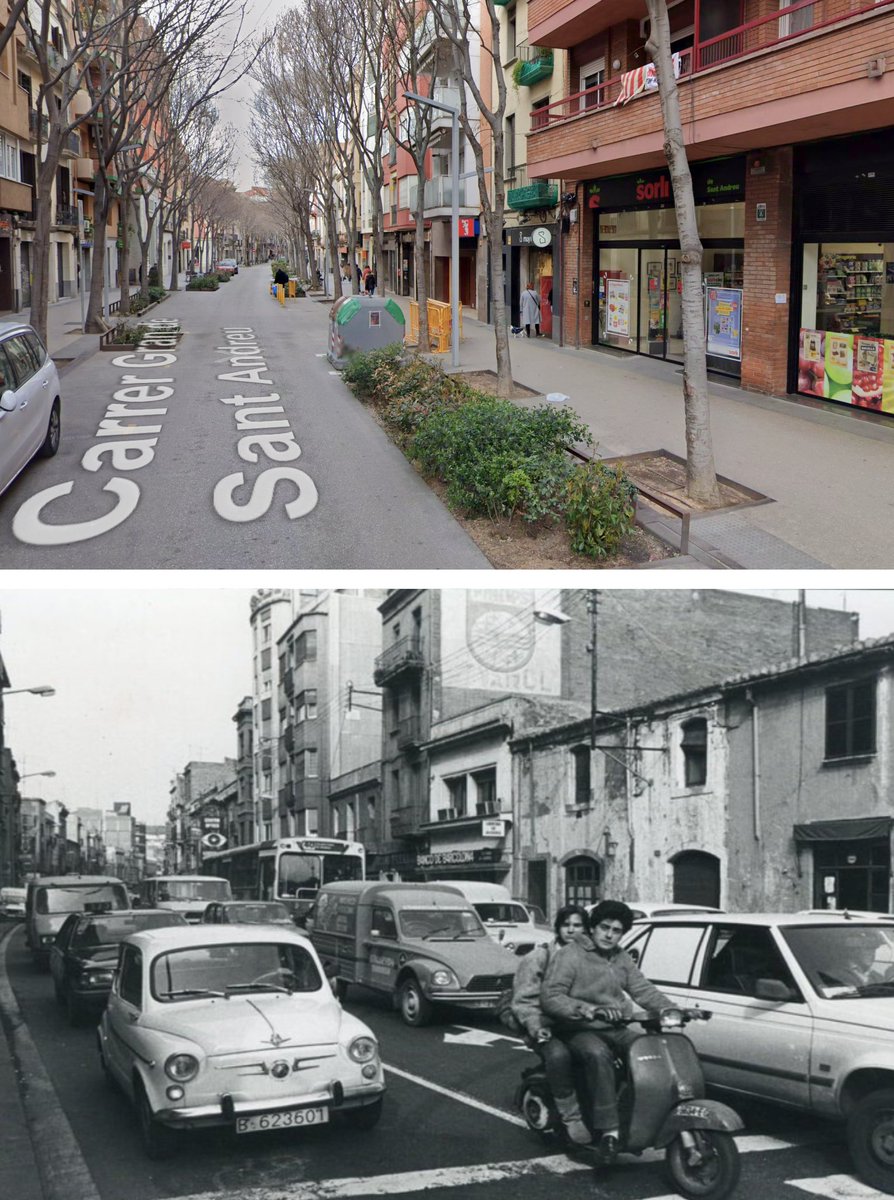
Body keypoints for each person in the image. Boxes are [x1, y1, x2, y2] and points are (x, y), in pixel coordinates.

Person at [542, 899, 672, 1160]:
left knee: (648, 1051)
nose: (610, 935)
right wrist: (589, 1009)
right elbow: (551, 996)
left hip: (614, 1027)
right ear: (593, 927)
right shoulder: (571, 955)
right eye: (604, 927)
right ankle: (609, 1130)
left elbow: (642, 988)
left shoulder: (620, 957)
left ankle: (641, 1114)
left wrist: (670, 1009)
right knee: (598, 1054)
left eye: (617, 930)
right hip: (576, 1028)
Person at [511, 905, 592, 1144]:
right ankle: (571, 1116)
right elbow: (524, 1000)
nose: (571, 930)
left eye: (577, 926)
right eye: (566, 925)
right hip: (544, 1025)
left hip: (578, 1025)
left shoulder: (590, 957)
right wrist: (537, 1027)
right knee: (559, 1056)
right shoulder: (539, 957)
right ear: (557, 928)